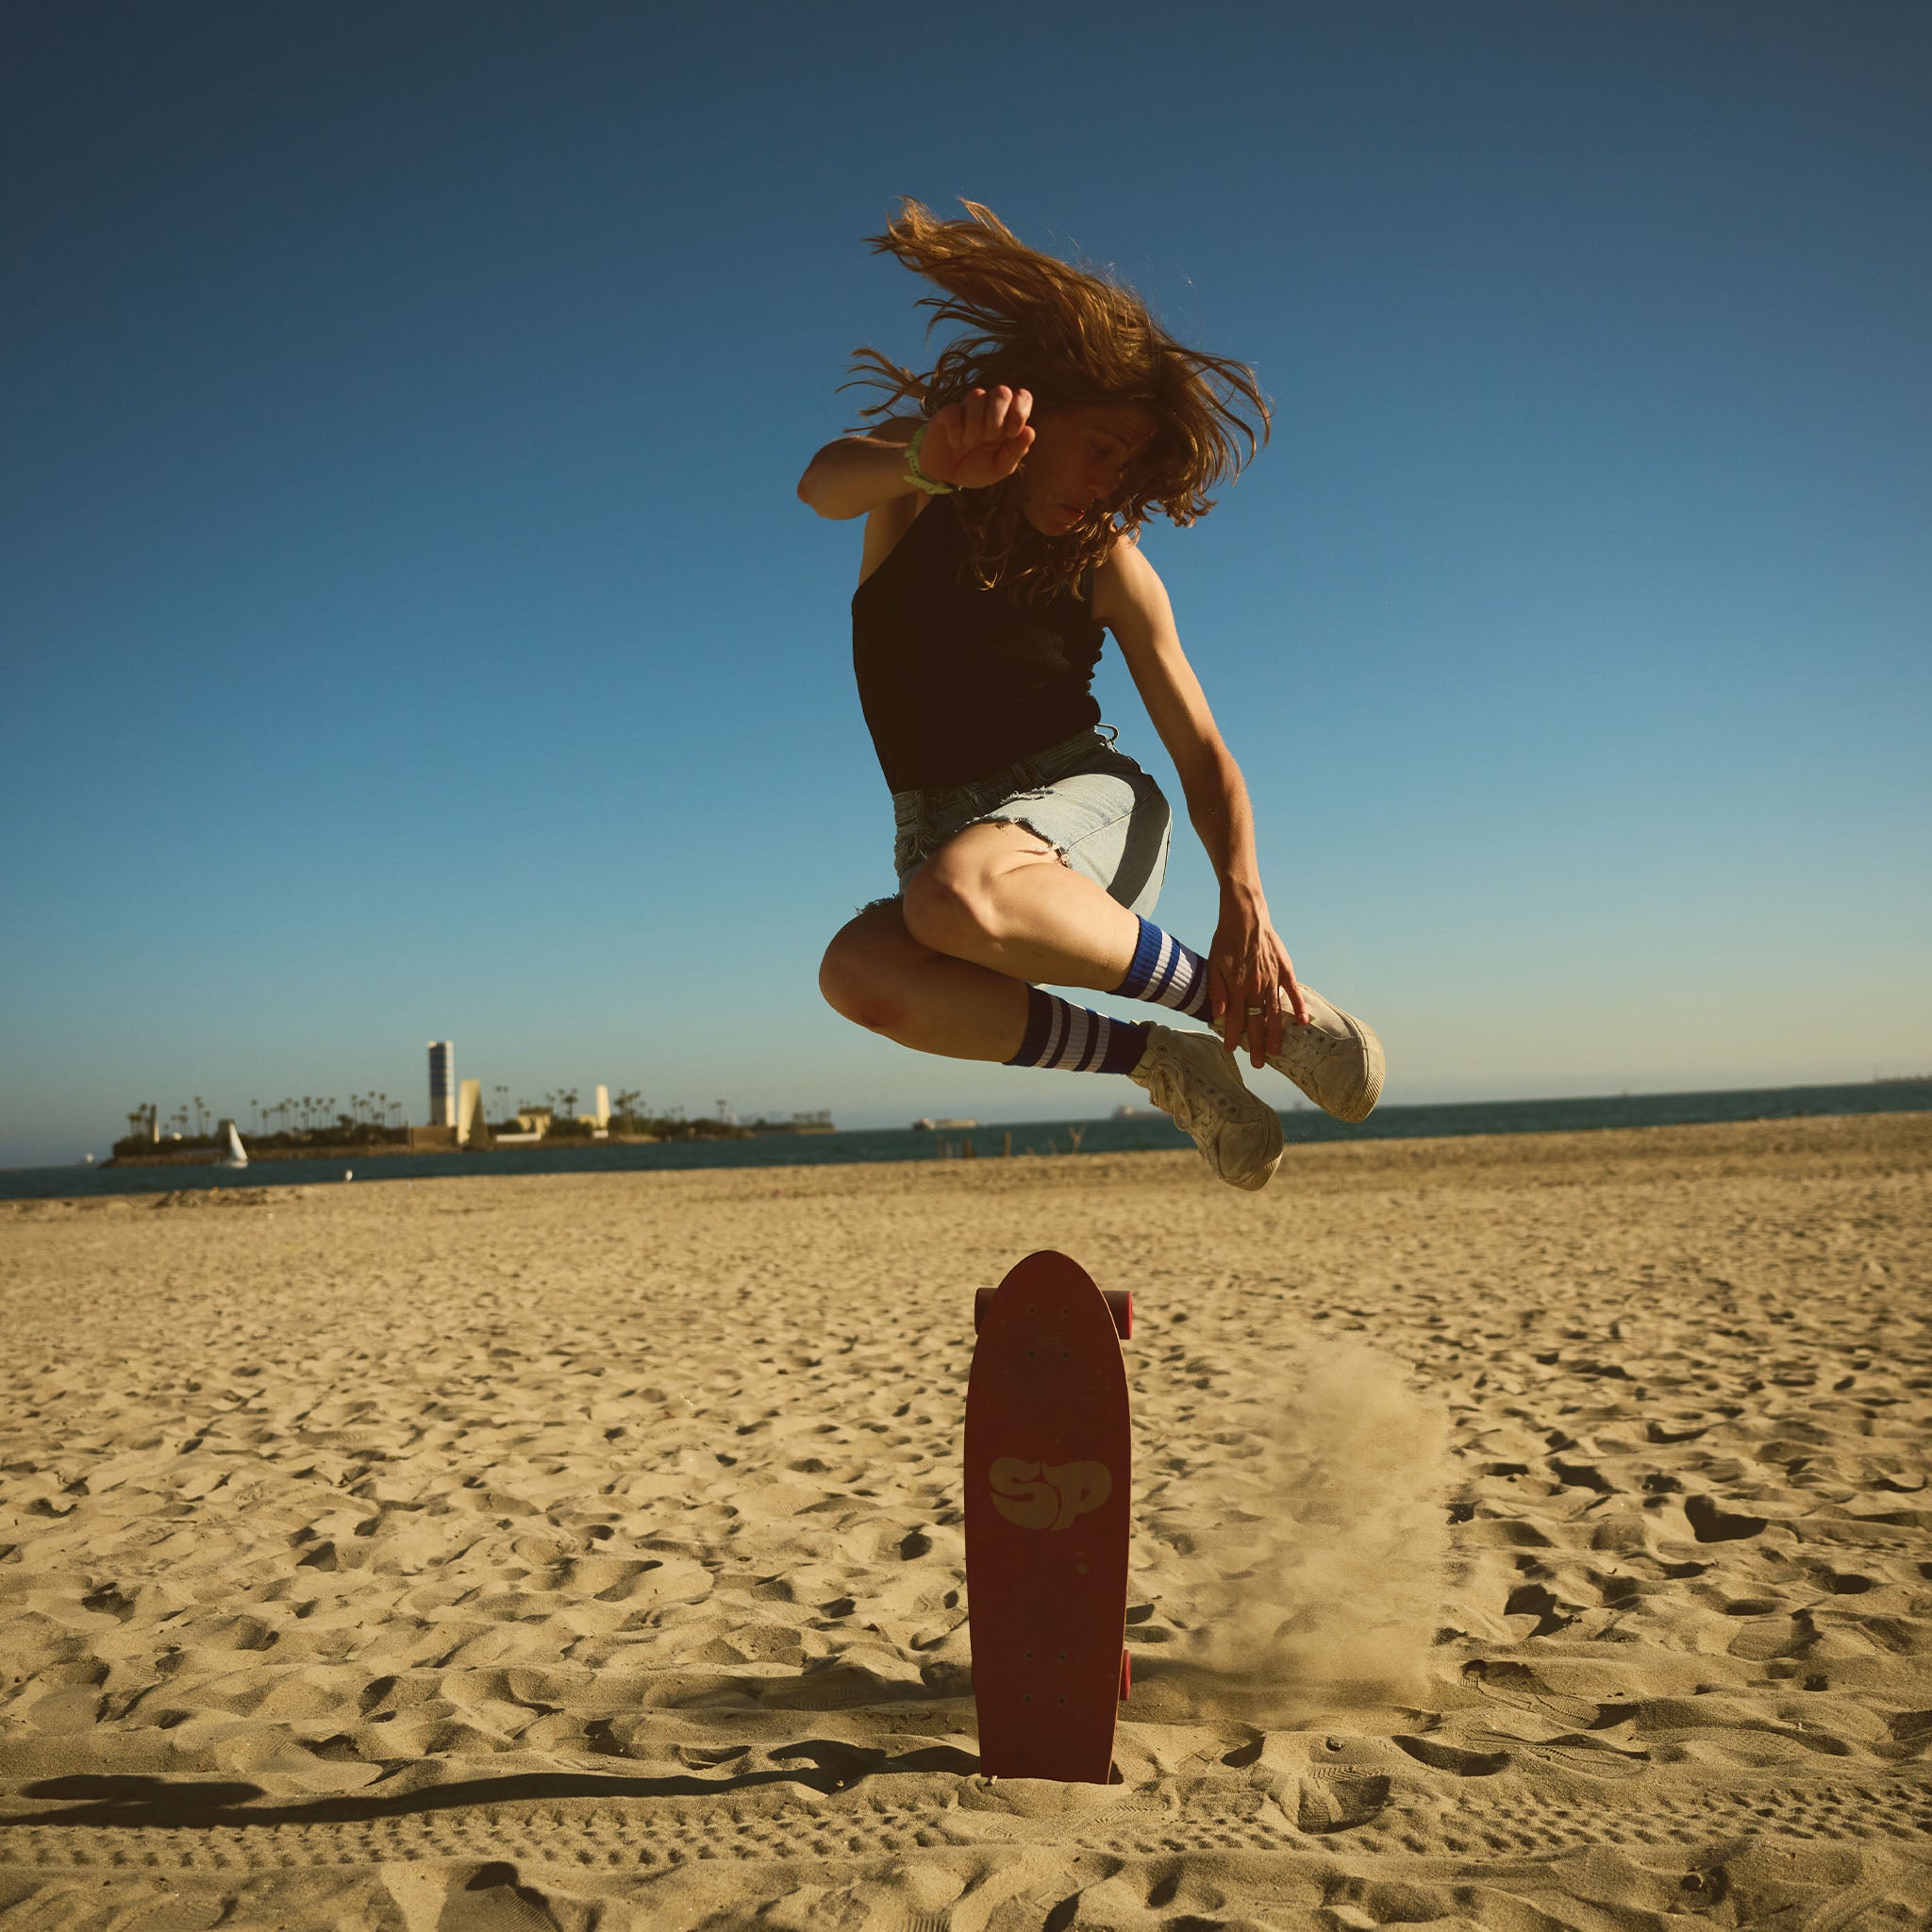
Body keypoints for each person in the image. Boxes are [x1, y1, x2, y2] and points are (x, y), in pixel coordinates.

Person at [797, 200, 1382, 1191]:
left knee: (951, 895)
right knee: (857, 975)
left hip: (1091, 807)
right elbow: (821, 484)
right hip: (941, 839)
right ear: (1037, 410)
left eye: (1128, 466)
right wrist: (924, 463)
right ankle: (1162, 1062)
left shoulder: (1108, 564)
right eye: (1101, 447)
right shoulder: (915, 483)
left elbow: (1201, 752)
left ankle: (1262, 1016)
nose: (1109, 483)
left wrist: (1245, 900)